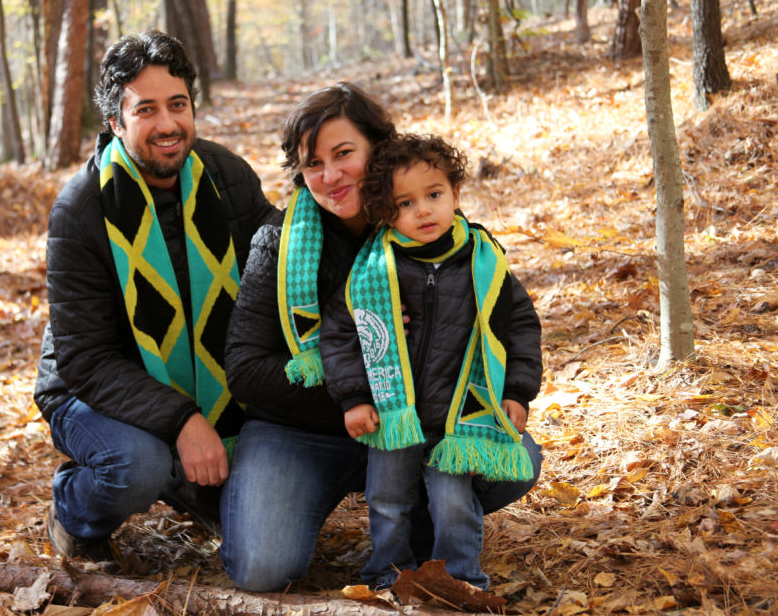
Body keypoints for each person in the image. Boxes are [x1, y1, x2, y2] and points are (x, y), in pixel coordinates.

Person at [33, 31, 277, 562]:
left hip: (204, 383)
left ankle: (189, 480)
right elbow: (86, 359)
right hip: (86, 389)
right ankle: (72, 509)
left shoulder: (225, 176)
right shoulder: (80, 210)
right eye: (146, 110)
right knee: (136, 466)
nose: (168, 124)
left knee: (265, 531)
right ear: (116, 123)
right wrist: (184, 422)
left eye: (178, 105)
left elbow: (281, 261)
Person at [221, 82, 425, 591]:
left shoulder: (424, 221)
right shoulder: (278, 242)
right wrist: (359, 365)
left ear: (378, 149)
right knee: (261, 568)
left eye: (343, 154)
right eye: (314, 163)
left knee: (511, 461)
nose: (330, 176)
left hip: (409, 423)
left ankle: (419, 527)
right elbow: (244, 371)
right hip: (299, 430)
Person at [320, 133, 544, 590]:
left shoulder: (483, 261)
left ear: (456, 194)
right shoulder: (374, 271)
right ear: (385, 212)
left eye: (434, 195)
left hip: (458, 418)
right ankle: (388, 574)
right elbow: (342, 333)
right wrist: (354, 396)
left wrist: (516, 391)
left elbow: (521, 326)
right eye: (404, 204)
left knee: (452, 502)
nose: (422, 210)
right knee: (387, 499)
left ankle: (461, 580)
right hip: (391, 415)